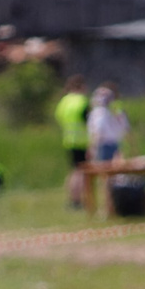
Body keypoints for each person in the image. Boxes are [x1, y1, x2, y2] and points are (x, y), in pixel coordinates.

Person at [55, 75, 91, 208]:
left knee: (73, 171)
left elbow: (59, 118)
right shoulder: (82, 101)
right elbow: (89, 122)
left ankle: (72, 198)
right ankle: (80, 200)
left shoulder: (64, 101)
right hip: (82, 141)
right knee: (82, 172)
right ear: (80, 86)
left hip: (68, 140)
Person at [88, 84, 129, 164]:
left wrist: (92, 147)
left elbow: (98, 130)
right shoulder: (113, 111)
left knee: (104, 170)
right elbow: (124, 127)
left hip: (103, 144)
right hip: (114, 142)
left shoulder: (99, 112)